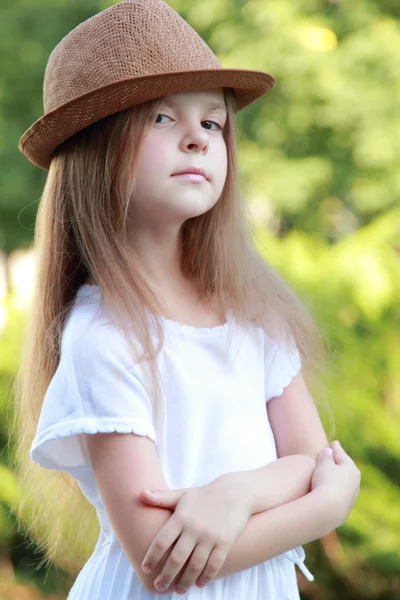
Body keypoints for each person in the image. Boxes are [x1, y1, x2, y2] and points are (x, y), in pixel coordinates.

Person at [12, 1, 361, 599]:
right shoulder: (106, 335)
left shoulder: (253, 315)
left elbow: (312, 460)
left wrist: (237, 495)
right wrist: (327, 508)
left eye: (212, 124)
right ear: (95, 152)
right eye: (162, 119)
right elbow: (160, 559)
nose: (197, 140)